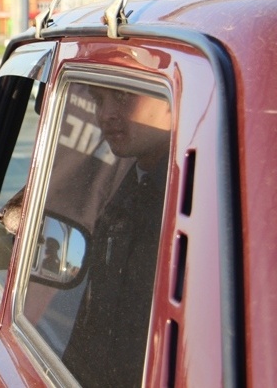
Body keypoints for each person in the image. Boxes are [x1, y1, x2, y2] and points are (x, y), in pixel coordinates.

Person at [61, 87, 171, 387]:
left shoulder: (186, 200)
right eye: (99, 100)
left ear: (173, 101)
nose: (105, 114)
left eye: (123, 96)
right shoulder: (136, 182)